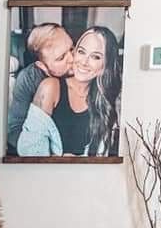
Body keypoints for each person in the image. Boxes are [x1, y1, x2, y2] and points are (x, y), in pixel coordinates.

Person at [29, 26, 122, 156]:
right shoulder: (51, 87)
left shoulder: (108, 99)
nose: (83, 62)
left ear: (105, 65)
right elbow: (30, 149)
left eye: (95, 57)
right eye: (81, 51)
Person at [7, 23, 74, 154]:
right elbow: (15, 130)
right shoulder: (28, 79)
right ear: (42, 66)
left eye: (72, 49)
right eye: (61, 58)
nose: (72, 59)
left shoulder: (81, 69)